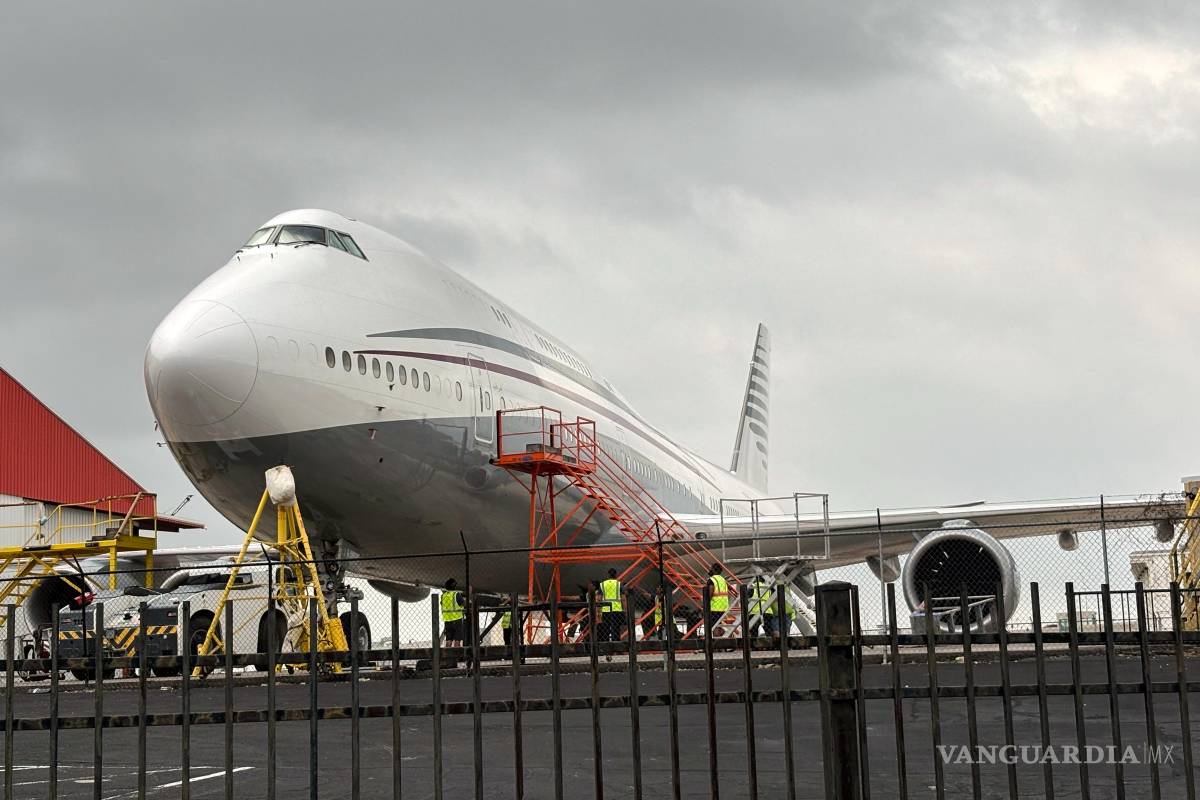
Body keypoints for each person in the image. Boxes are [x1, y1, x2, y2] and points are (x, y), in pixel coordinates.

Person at [599, 568, 624, 660]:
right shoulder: (619, 584)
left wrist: (598, 612)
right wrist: (625, 610)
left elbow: (599, 598)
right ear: (616, 575)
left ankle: (606, 650)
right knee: (615, 630)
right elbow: (623, 598)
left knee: (605, 630)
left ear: (608, 575)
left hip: (605, 610)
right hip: (616, 610)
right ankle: (616, 649)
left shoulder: (602, 584)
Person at [706, 563, 730, 635]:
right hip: (723, 606)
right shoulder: (723, 579)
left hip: (714, 607)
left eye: (710, 569)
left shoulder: (711, 580)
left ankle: (716, 639)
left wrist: (705, 604)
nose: (709, 570)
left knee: (714, 626)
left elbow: (710, 594)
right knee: (719, 624)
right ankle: (722, 638)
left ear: (713, 570)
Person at [440, 578, 465, 648]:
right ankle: (457, 654)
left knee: (448, 640)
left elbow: (442, 604)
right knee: (457, 640)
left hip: (447, 620)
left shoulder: (443, 596)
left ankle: (447, 654)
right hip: (457, 620)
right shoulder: (456, 594)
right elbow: (463, 604)